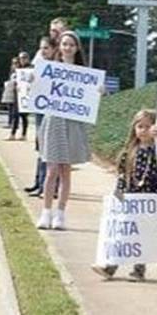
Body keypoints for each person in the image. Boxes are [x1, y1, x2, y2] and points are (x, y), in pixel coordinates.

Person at [92, 109, 157, 281]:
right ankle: (110, 266)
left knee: (143, 236)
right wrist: (118, 195)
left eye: (147, 127)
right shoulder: (129, 152)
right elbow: (122, 175)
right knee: (124, 233)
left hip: (148, 202)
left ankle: (139, 270)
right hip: (130, 199)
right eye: (139, 126)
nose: (143, 130)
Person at [36, 30, 92, 231]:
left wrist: (99, 91)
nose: (68, 47)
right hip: (53, 121)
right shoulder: (50, 69)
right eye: (65, 44)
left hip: (72, 122)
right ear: (59, 47)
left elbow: (90, 96)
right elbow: (38, 89)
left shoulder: (84, 73)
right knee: (51, 171)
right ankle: (46, 212)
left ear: (77, 48)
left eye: (71, 44)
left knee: (66, 171)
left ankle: (61, 213)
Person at [24, 36, 56, 196]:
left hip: (52, 112)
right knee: (41, 146)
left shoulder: (58, 67)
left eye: (46, 48)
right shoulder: (38, 64)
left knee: (50, 149)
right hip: (40, 110)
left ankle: (47, 186)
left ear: (53, 49)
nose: (43, 51)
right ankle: (39, 182)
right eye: (41, 48)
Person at [10, 51, 34, 140]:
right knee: (15, 114)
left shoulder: (31, 68)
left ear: (28, 58)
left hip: (26, 94)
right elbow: (13, 79)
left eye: (24, 58)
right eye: (20, 58)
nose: (22, 60)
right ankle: (12, 134)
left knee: (24, 116)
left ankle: (24, 134)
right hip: (18, 93)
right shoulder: (17, 68)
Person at [1, 59, 17, 129]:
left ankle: (14, 124)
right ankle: (10, 123)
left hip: (16, 93)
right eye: (13, 63)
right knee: (10, 109)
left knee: (15, 110)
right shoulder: (11, 73)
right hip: (10, 92)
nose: (14, 65)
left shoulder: (20, 72)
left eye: (16, 63)